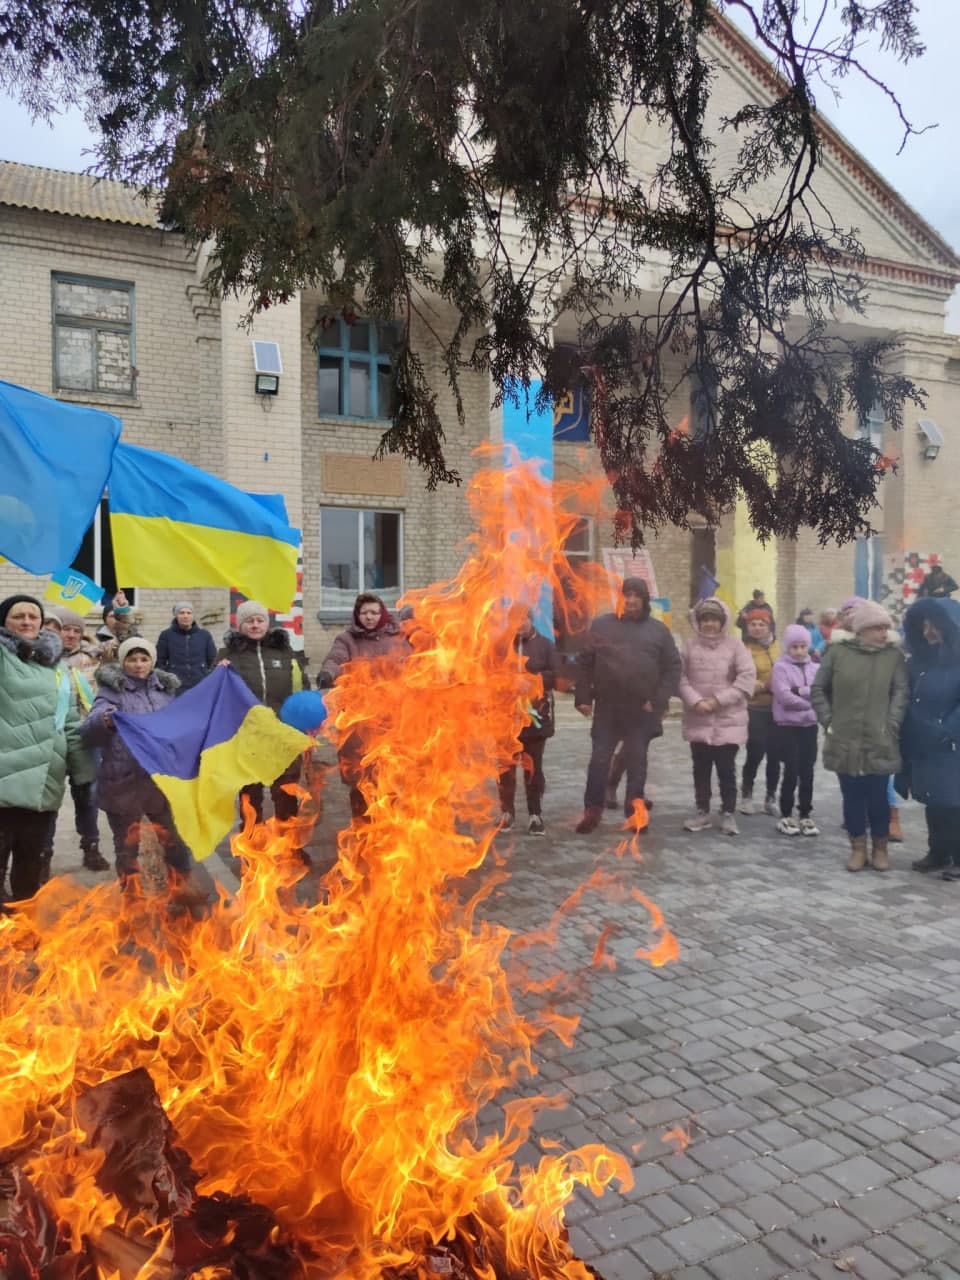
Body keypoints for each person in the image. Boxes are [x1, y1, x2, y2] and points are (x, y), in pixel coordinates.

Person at [0, 594, 94, 903]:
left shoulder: (56, 666)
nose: (27, 621)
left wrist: (82, 772)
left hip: (44, 782)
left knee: (31, 865)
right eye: (18, 616)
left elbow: (68, 721)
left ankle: (24, 927)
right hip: (4, 779)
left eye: (33, 616)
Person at [573, 577, 681, 833]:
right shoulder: (602, 625)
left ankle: (635, 814)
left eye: (636, 595)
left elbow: (673, 667)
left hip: (641, 710)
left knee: (636, 763)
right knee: (599, 761)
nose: (631, 600)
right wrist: (583, 697)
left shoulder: (658, 631)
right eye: (627, 595)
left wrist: (657, 700)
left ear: (644, 600)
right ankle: (592, 812)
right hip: (608, 707)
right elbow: (585, 663)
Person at [82, 638, 191, 885]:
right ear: (123, 662)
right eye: (132, 659)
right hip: (123, 783)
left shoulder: (166, 691)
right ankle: (132, 902)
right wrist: (105, 721)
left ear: (153, 661)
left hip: (160, 783)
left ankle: (184, 893)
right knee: (127, 849)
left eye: (144, 659)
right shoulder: (111, 691)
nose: (139, 665)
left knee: (174, 844)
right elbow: (89, 729)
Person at [811, 601, 907, 872]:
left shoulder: (893, 656)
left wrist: (892, 724)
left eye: (886, 628)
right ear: (861, 629)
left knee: (878, 797)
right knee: (851, 796)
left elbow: (900, 692)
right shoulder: (837, 653)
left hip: (880, 738)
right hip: (845, 739)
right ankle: (857, 848)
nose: (882, 633)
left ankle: (880, 848)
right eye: (877, 628)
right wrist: (829, 721)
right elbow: (819, 689)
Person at [319, 592, 411, 819]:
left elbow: (417, 664)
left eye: (373, 612)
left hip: (393, 720)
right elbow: (336, 659)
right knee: (361, 780)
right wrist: (328, 673)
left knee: (392, 779)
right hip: (357, 723)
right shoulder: (347, 640)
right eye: (364, 613)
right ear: (357, 615)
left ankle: (391, 835)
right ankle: (363, 834)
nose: (369, 617)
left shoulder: (399, 638)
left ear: (382, 614)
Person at [218, 601, 310, 824]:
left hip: (282, 733)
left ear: (267, 624)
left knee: (286, 792)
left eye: (260, 620)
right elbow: (218, 695)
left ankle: (289, 847)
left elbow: (301, 687)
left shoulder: (284, 652)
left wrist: (305, 721)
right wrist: (218, 672)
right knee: (250, 795)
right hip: (248, 736)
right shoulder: (228, 656)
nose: (255, 625)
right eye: (249, 621)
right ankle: (252, 846)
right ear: (240, 625)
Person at [39, 610, 109, 876]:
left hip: (84, 736)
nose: (70, 634)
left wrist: (122, 614)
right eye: (65, 629)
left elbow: (127, 646)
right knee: (48, 799)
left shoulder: (93, 659)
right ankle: (43, 854)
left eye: (76, 630)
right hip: (51, 737)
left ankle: (90, 847)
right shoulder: (40, 658)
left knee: (87, 796)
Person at [678, 598, 755, 835]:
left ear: (722, 622)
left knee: (726, 770)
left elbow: (746, 678)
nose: (709, 624)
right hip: (698, 719)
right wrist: (695, 701)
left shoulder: (736, 646)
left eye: (713, 619)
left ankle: (728, 813)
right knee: (700, 769)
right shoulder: (689, 647)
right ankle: (702, 811)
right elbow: (679, 678)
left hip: (728, 720)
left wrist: (717, 700)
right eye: (705, 620)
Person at [899, 598, 960, 880]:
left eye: (933, 626)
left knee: (953, 802)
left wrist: (946, 728)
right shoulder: (919, 662)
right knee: (933, 800)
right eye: (923, 626)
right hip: (923, 742)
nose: (927, 632)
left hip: (950, 744)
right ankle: (937, 852)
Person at [497, 610, 558, 835]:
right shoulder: (502, 645)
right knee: (505, 767)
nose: (519, 624)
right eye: (514, 619)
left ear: (531, 620)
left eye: (523, 619)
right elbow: (489, 672)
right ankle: (507, 813)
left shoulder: (545, 645)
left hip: (536, 717)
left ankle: (535, 814)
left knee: (533, 768)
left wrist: (533, 682)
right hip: (505, 717)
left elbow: (556, 674)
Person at [770, 624, 819, 836]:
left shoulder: (815, 668)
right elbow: (784, 696)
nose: (799, 651)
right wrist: (809, 703)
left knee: (807, 771)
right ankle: (786, 814)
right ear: (787, 647)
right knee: (791, 769)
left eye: (803, 646)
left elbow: (821, 691)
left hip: (809, 726)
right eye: (794, 647)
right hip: (788, 726)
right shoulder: (780, 668)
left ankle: (805, 813)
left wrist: (800, 690)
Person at [739, 608, 780, 816]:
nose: (757, 628)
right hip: (755, 707)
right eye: (753, 624)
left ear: (769, 626)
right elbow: (741, 678)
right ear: (747, 627)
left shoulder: (779, 647)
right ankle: (746, 794)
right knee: (755, 752)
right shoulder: (743, 649)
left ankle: (771, 797)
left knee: (775, 754)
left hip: (780, 709)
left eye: (761, 624)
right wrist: (763, 686)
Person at [156, 601, 217, 692]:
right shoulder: (166, 635)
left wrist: (207, 677)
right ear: (176, 616)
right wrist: (166, 680)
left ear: (193, 616)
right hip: (176, 687)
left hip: (200, 685)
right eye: (182, 613)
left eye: (189, 613)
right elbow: (160, 662)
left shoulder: (205, 635)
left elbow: (213, 661)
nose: (186, 616)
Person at [96, 590, 139, 660]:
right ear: (105, 620)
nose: (116, 620)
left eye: (119, 617)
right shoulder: (97, 639)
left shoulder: (136, 637)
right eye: (112, 616)